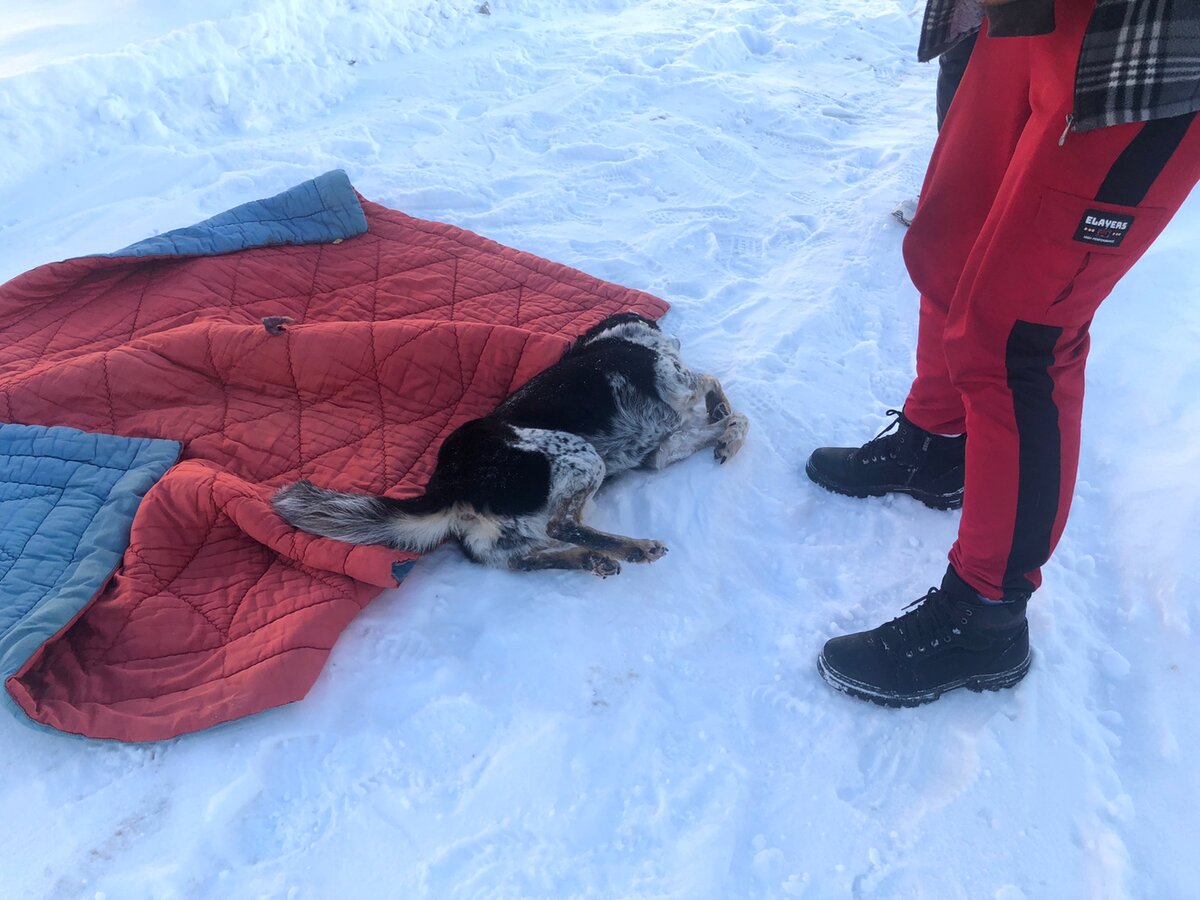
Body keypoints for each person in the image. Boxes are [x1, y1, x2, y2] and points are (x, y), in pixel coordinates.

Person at [808, 0, 1200, 707]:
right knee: (949, 238)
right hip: (1027, 17)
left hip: (1144, 48)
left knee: (1021, 337)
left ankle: (985, 617)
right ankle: (935, 442)